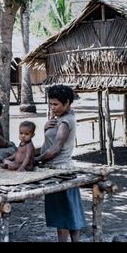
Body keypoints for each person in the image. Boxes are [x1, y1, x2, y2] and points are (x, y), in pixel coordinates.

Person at [34, 84, 85, 242]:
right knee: (69, 213)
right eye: (51, 104)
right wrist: (45, 129)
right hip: (58, 170)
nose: (53, 108)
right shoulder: (62, 118)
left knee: (63, 218)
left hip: (59, 171)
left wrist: (36, 159)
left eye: (56, 104)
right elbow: (50, 142)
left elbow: (55, 149)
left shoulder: (65, 122)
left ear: (67, 103)